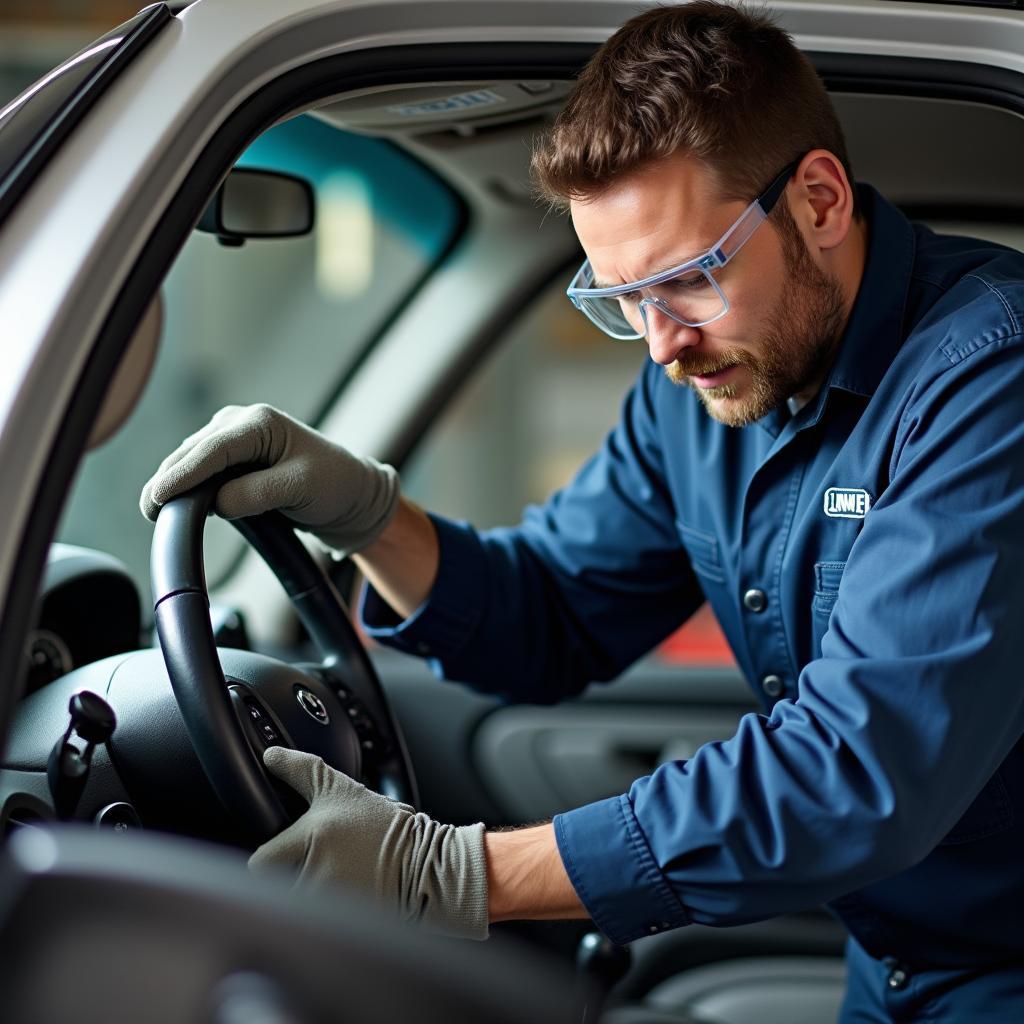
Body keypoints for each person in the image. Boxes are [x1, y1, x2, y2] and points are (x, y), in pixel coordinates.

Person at [141, 3, 1024, 1020]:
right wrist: (366, 514)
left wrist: (453, 873)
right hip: (888, 967)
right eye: (622, 300)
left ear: (818, 201)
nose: (660, 344)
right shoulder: (700, 387)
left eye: (688, 278)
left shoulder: (987, 379)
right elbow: (553, 612)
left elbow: (859, 771)